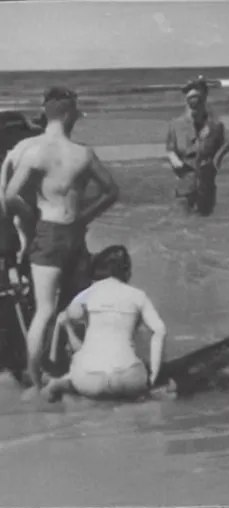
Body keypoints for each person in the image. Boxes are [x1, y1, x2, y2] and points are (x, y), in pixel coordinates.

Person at [0, 86, 119, 396]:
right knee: (77, 305)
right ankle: (79, 366)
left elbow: (10, 196)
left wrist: (31, 219)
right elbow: (112, 191)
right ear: (69, 115)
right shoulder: (83, 153)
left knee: (43, 309)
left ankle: (35, 380)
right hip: (74, 233)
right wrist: (85, 216)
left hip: (47, 232)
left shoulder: (33, 151)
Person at [41, 245, 167, 402]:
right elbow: (160, 330)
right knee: (136, 383)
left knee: (79, 366)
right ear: (127, 272)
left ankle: (59, 386)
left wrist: (68, 326)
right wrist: (153, 375)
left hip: (89, 380)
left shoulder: (87, 294)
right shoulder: (138, 295)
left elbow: (66, 319)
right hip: (127, 378)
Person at [165, 77, 229, 216]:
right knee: (183, 224)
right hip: (185, 186)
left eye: (197, 98)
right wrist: (175, 161)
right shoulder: (176, 125)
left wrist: (217, 159)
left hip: (206, 185)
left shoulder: (215, 126)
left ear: (204, 99)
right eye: (190, 99)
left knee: (205, 227)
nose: (194, 103)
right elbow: (170, 148)